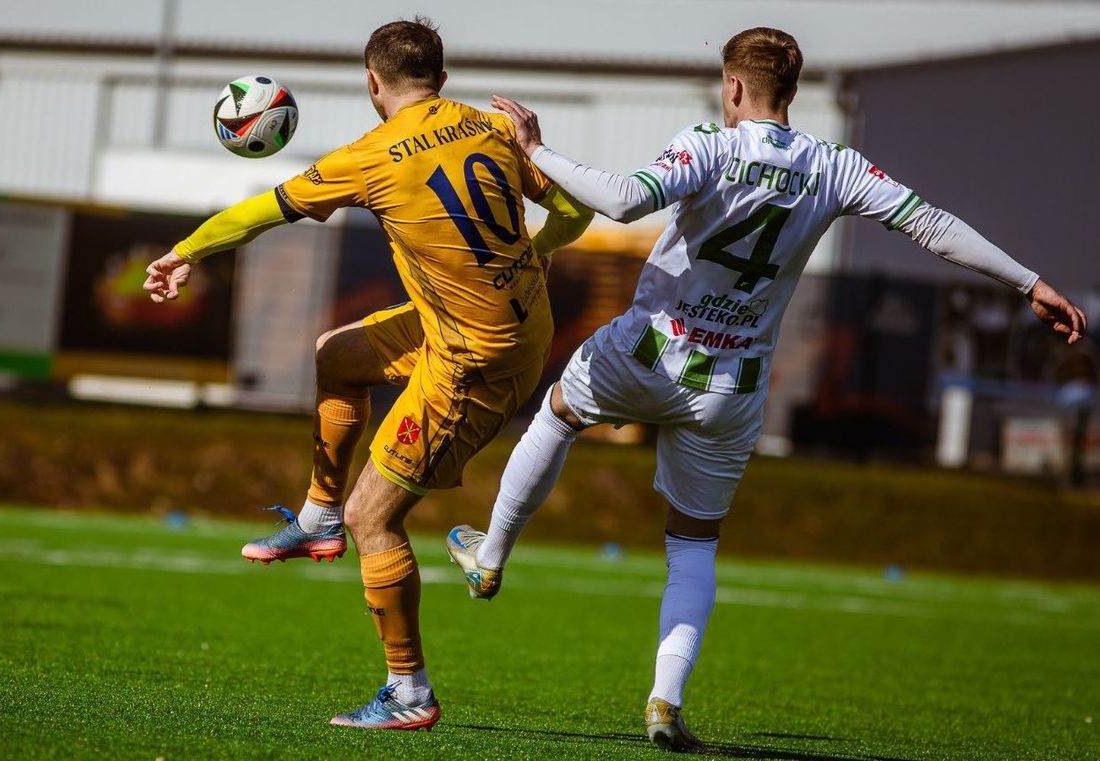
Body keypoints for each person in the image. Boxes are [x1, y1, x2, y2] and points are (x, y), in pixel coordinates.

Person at [445, 26, 1086, 752]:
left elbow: (624, 203)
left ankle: (491, 553)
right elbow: (932, 226)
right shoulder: (834, 166)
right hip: (733, 383)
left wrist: (534, 149)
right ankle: (664, 700)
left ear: (734, 88)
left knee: (559, 411)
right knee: (693, 543)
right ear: (792, 93)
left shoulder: (710, 146)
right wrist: (1029, 280)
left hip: (650, 351)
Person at [142, 17, 592, 731]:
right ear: (440, 80)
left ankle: (409, 689)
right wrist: (537, 252)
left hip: (476, 362)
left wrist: (185, 251)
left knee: (374, 517)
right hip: (493, 325)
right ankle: (317, 518)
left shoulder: (371, 154)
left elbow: (265, 210)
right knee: (337, 354)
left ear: (371, 82)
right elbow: (573, 205)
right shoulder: (489, 128)